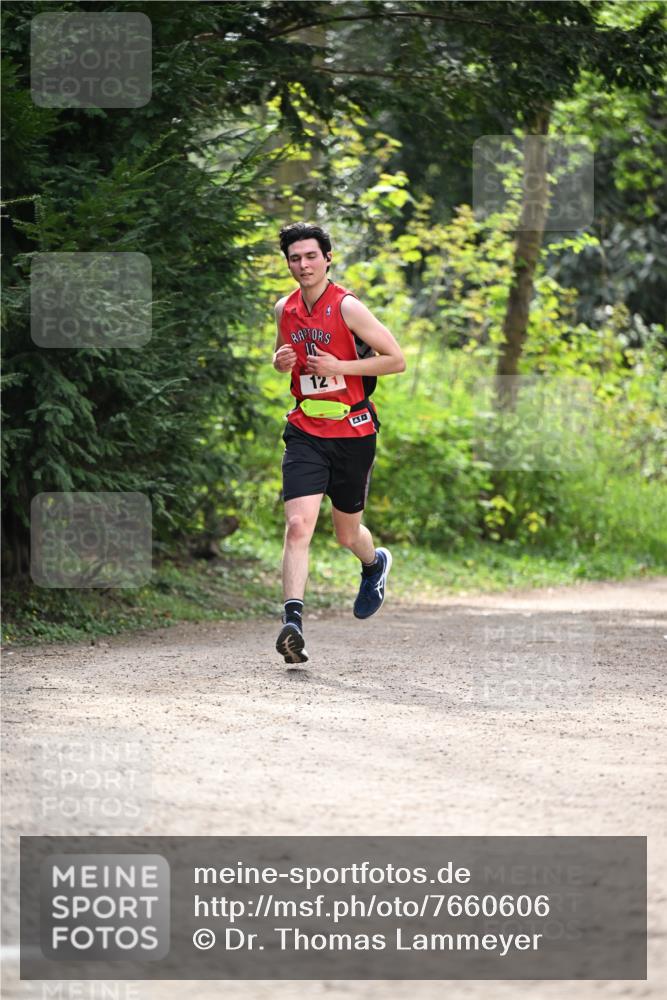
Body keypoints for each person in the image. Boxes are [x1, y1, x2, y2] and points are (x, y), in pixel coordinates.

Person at [272, 222, 406, 664]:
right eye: (295, 258)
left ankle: (374, 564)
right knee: (297, 527)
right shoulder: (285, 309)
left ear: (327, 258)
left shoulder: (347, 307)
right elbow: (283, 360)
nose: (303, 265)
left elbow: (396, 360)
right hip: (306, 430)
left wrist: (342, 367)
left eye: (311, 256)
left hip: (353, 432)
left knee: (347, 534)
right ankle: (293, 623)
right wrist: (280, 360)